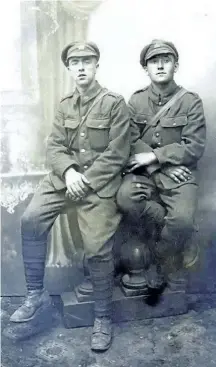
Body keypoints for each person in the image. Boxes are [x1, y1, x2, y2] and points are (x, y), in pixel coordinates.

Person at [10, 41, 130, 351]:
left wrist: (86, 179)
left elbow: (117, 154)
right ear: (68, 68)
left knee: (96, 248)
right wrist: (69, 173)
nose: (80, 66)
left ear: (96, 65)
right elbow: (54, 147)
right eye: (74, 62)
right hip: (66, 180)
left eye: (87, 61)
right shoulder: (64, 104)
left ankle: (103, 317)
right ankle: (35, 296)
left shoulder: (115, 103)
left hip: (99, 184)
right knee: (31, 219)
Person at [117, 39, 206, 289]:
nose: (160, 66)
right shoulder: (135, 102)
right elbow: (130, 140)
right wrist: (157, 166)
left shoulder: (190, 101)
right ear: (146, 68)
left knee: (183, 221)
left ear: (175, 66)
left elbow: (195, 146)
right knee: (125, 198)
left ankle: (161, 259)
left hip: (180, 174)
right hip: (145, 173)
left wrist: (156, 157)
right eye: (153, 61)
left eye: (166, 60)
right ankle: (174, 235)